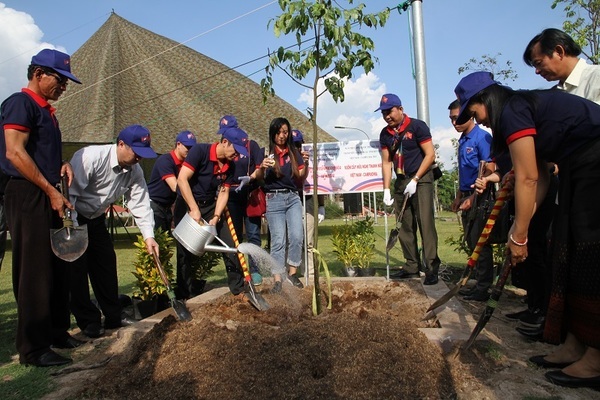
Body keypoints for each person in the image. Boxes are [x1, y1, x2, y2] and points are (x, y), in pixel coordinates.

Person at [454, 71, 600, 389]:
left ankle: (596, 358)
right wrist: (522, 228)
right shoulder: (517, 111)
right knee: (568, 248)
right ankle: (575, 343)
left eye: (474, 111)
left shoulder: (513, 110)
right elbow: (543, 174)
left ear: (485, 99)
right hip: (576, 166)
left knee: (590, 252)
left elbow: (528, 178)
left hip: (595, 158)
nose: (477, 119)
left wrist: (518, 234)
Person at [0, 49, 82, 366]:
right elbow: (14, 153)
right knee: (34, 269)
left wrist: (59, 164)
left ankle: (57, 331)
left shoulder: (46, 110)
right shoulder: (21, 103)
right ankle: (33, 348)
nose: (64, 87)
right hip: (27, 192)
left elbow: (37, 150)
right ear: (38, 74)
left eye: (66, 82)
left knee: (58, 263)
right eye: (59, 80)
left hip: (47, 191)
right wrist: (50, 190)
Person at [69, 125, 160, 338]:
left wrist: (149, 236)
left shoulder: (135, 170)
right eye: (136, 152)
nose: (139, 158)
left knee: (106, 264)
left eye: (142, 154)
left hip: (96, 219)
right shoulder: (90, 157)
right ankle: (88, 321)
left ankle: (113, 315)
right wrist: (72, 229)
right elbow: (70, 194)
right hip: (75, 217)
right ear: (121, 144)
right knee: (77, 271)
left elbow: (139, 203)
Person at [174, 127, 249, 299]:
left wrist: (215, 217)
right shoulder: (200, 152)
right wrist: (193, 209)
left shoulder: (231, 165)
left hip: (210, 206)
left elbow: (224, 191)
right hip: (187, 204)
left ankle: (238, 289)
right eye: (235, 150)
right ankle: (185, 294)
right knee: (185, 251)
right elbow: (182, 179)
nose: (237, 155)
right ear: (224, 142)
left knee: (230, 244)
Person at [377, 93, 441, 285]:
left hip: (421, 179)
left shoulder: (417, 126)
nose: (387, 116)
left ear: (401, 109)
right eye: (383, 113)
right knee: (404, 225)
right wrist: (386, 188)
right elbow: (386, 162)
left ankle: (431, 268)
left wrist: (416, 179)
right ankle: (411, 266)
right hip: (401, 180)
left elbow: (430, 155)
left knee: (425, 223)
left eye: (390, 111)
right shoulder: (385, 134)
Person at [255, 118, 309, 294]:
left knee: (297, 236)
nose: (282, 136)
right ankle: (278, 279)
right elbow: (257, 177)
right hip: (274, 198)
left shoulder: (293, 153)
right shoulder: (267, 153)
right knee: (278, 241)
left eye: (285, 132)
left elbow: (300, 174)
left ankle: (292, 273)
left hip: (292, 197)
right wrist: (262, 167)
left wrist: (306, 163)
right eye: (278, 132)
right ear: (273, 133)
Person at [448, 99, 494, 301]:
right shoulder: (463, 140)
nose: (454, 122)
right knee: (471, 241)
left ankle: (483, 288)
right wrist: (459, 196)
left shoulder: (482, 137)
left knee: (480, 244)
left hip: (481, 197)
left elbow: (489, 169)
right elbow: (464, 172)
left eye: (457, 117)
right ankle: (477, 282)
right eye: (451, 119)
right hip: (467, 195)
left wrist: (474, 196)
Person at [217, 115, 264, 285]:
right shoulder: (223, 151)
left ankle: (255, 270)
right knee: (234, 236)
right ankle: (239, 273)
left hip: (250, 194)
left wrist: (250, 178)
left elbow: (260, 171)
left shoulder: (251, 146)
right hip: (231, 197)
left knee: (253, 234)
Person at [524, 28, 600, 104]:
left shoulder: (596, 77)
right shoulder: (552, 96)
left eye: (539, 63)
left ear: (559, 52)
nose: (537, 71)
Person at [292, 129, 325, 284]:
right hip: (291, 200)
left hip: (309, 200)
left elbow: (321, 182)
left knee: (308, 241)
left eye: (298, 144)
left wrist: (321, 206)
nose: (296, 148)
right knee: (293, 239)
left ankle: (310, 274)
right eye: (293, 145)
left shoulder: (311, 159)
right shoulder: (285, 159)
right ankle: (291, 273)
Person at [147, 130, 197, 233]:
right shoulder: (165, 161)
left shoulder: (187, 165)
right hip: (154, 206)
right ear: (178, 144)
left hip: (167, 207)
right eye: (187, 147)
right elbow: (175, 187)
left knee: (166, 241)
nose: (190, 150)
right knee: (158, 239)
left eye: (192, 148)